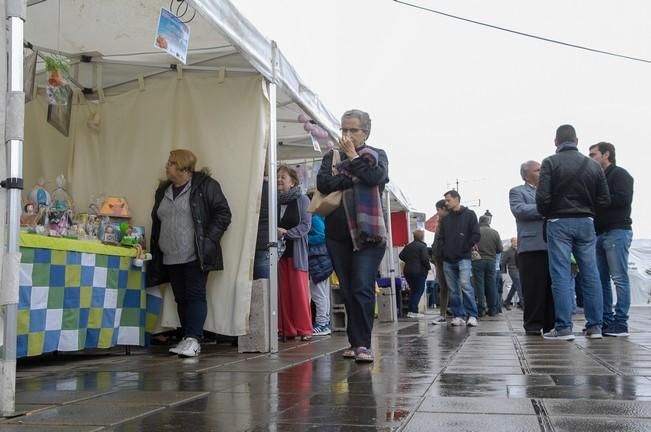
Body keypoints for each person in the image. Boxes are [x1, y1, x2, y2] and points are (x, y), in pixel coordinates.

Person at [317, 109, 388, 363]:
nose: (346, 135)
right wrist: (352, 177)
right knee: (347, 290)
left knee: (361, 286)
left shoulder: (377, 155)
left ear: (365, 133)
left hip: (368, 234)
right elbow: (324, 184)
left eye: (352, 130)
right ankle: (354, 341)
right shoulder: (330, 156)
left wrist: (351, 158)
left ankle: (364, 344)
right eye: (343, 130)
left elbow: (376, 177)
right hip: (337, 234)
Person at [148, 149, 232, 357]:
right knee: (181, 298)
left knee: (195, 295)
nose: (166, 166)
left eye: (170, 163)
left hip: (196, 253)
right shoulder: (163, 191)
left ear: (183, 167)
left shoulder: (205, 186)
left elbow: (223, 213)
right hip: (170, 254)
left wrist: (208, 240)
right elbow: (158, 221)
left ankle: (194, 339)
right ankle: (186, 338)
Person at [536, 124, 610, 340]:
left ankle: (564, 327)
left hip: (559, 221)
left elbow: (542, 197)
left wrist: (549, 213)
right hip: (586, 221)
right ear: (577, 140)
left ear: (556, 142)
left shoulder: (550, 162)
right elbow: (605, 199)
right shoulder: (593, 166)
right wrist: (589, 211)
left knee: (560, 274)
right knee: (591, 273)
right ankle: (595, 327)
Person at [589, 142, 634, 337]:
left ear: (606, 154)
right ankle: (606, 320)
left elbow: (622, 199)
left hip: (617, 231)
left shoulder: (621, 175)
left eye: (593, 154)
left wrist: (597, 199)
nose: (590, 158)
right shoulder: (597, 178)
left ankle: (621, 322)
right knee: (601, 280)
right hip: (599, 233)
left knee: (619, 278)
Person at [510, 160, 555, 335]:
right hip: (531, 246)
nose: (542, 172)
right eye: (538, 170)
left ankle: (551, 324)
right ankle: (533, 325)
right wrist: (546, 208)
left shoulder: (550, 190)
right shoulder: (517, 192)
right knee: (533, 288)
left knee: (552, 287)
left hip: (552, 245)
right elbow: (520, 210)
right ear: (526, 174)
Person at [277, 165, 312, 341]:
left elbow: (306, 226)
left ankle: (305, 329)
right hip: (279, 254)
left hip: (296, 252)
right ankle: (287, 329)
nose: (279, 180)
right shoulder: (275, 201)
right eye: (278, 177)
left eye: (283, 177)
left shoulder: (303, 200)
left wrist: (286, 233)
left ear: (293, 181)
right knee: (283, 294)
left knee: (299, 293)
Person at [439, 190, 480, 327]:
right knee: (453, 289)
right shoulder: (445, 219)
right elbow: (441, 238)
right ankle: (458, 315)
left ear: (457, 199)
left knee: (465, 285)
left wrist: (465, 247)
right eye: (445, 200)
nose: (446, 202)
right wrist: (444, 252)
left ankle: (473, 315)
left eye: (448, 200)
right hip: (448, 259)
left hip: (463, 257)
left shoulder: (470, 215)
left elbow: (476, 234)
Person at [308, 213, 334, 335]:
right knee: (322, 294)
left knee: (318, 294)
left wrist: (305, 239)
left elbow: (322, 236)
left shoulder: (314, 218)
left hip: (318, 261)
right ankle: (325, 323)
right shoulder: (319, 217)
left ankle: (321, 323)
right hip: (323, 260)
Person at [472, 215, 503, 317]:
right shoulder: (495, 232)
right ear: (488, 222)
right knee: (492, 285)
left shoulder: (475, 232)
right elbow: (500, 249)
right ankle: (492, 309)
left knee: (479, 285)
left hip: (477, 261)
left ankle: (481, 309)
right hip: (491, 261)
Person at [399, 230, 431, 318]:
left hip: (408, 271)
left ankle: (411, 311)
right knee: (419, 290)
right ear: (422, 237)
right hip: (419, 272)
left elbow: (400, 255)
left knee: (413, 290)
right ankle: (413, 311)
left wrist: (409, 261)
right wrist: (428, 267)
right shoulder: (422, 246)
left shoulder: (408, 246)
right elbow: (425, 259)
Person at [430, 199, 450, 324]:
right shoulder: (440, 223)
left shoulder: (449, 222)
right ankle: (442, 314)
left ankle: (458, 312)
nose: (437, 213)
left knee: (452, 287)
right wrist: (435, 257)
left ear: (443, 208)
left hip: (447, 258)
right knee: (443, 287)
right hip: (440, 259)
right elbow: (436, 243)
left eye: (438, 210)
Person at [502, 238, 523, 310]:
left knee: (514, 287)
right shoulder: (508, 251)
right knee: (519, 286)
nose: (516, 243)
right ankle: (523, 304)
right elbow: (503, 261)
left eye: (517, 242)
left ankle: (507, 302)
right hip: (512, 270)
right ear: (511, 242)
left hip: (519, 270)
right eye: (514, 242)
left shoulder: (519, 250)